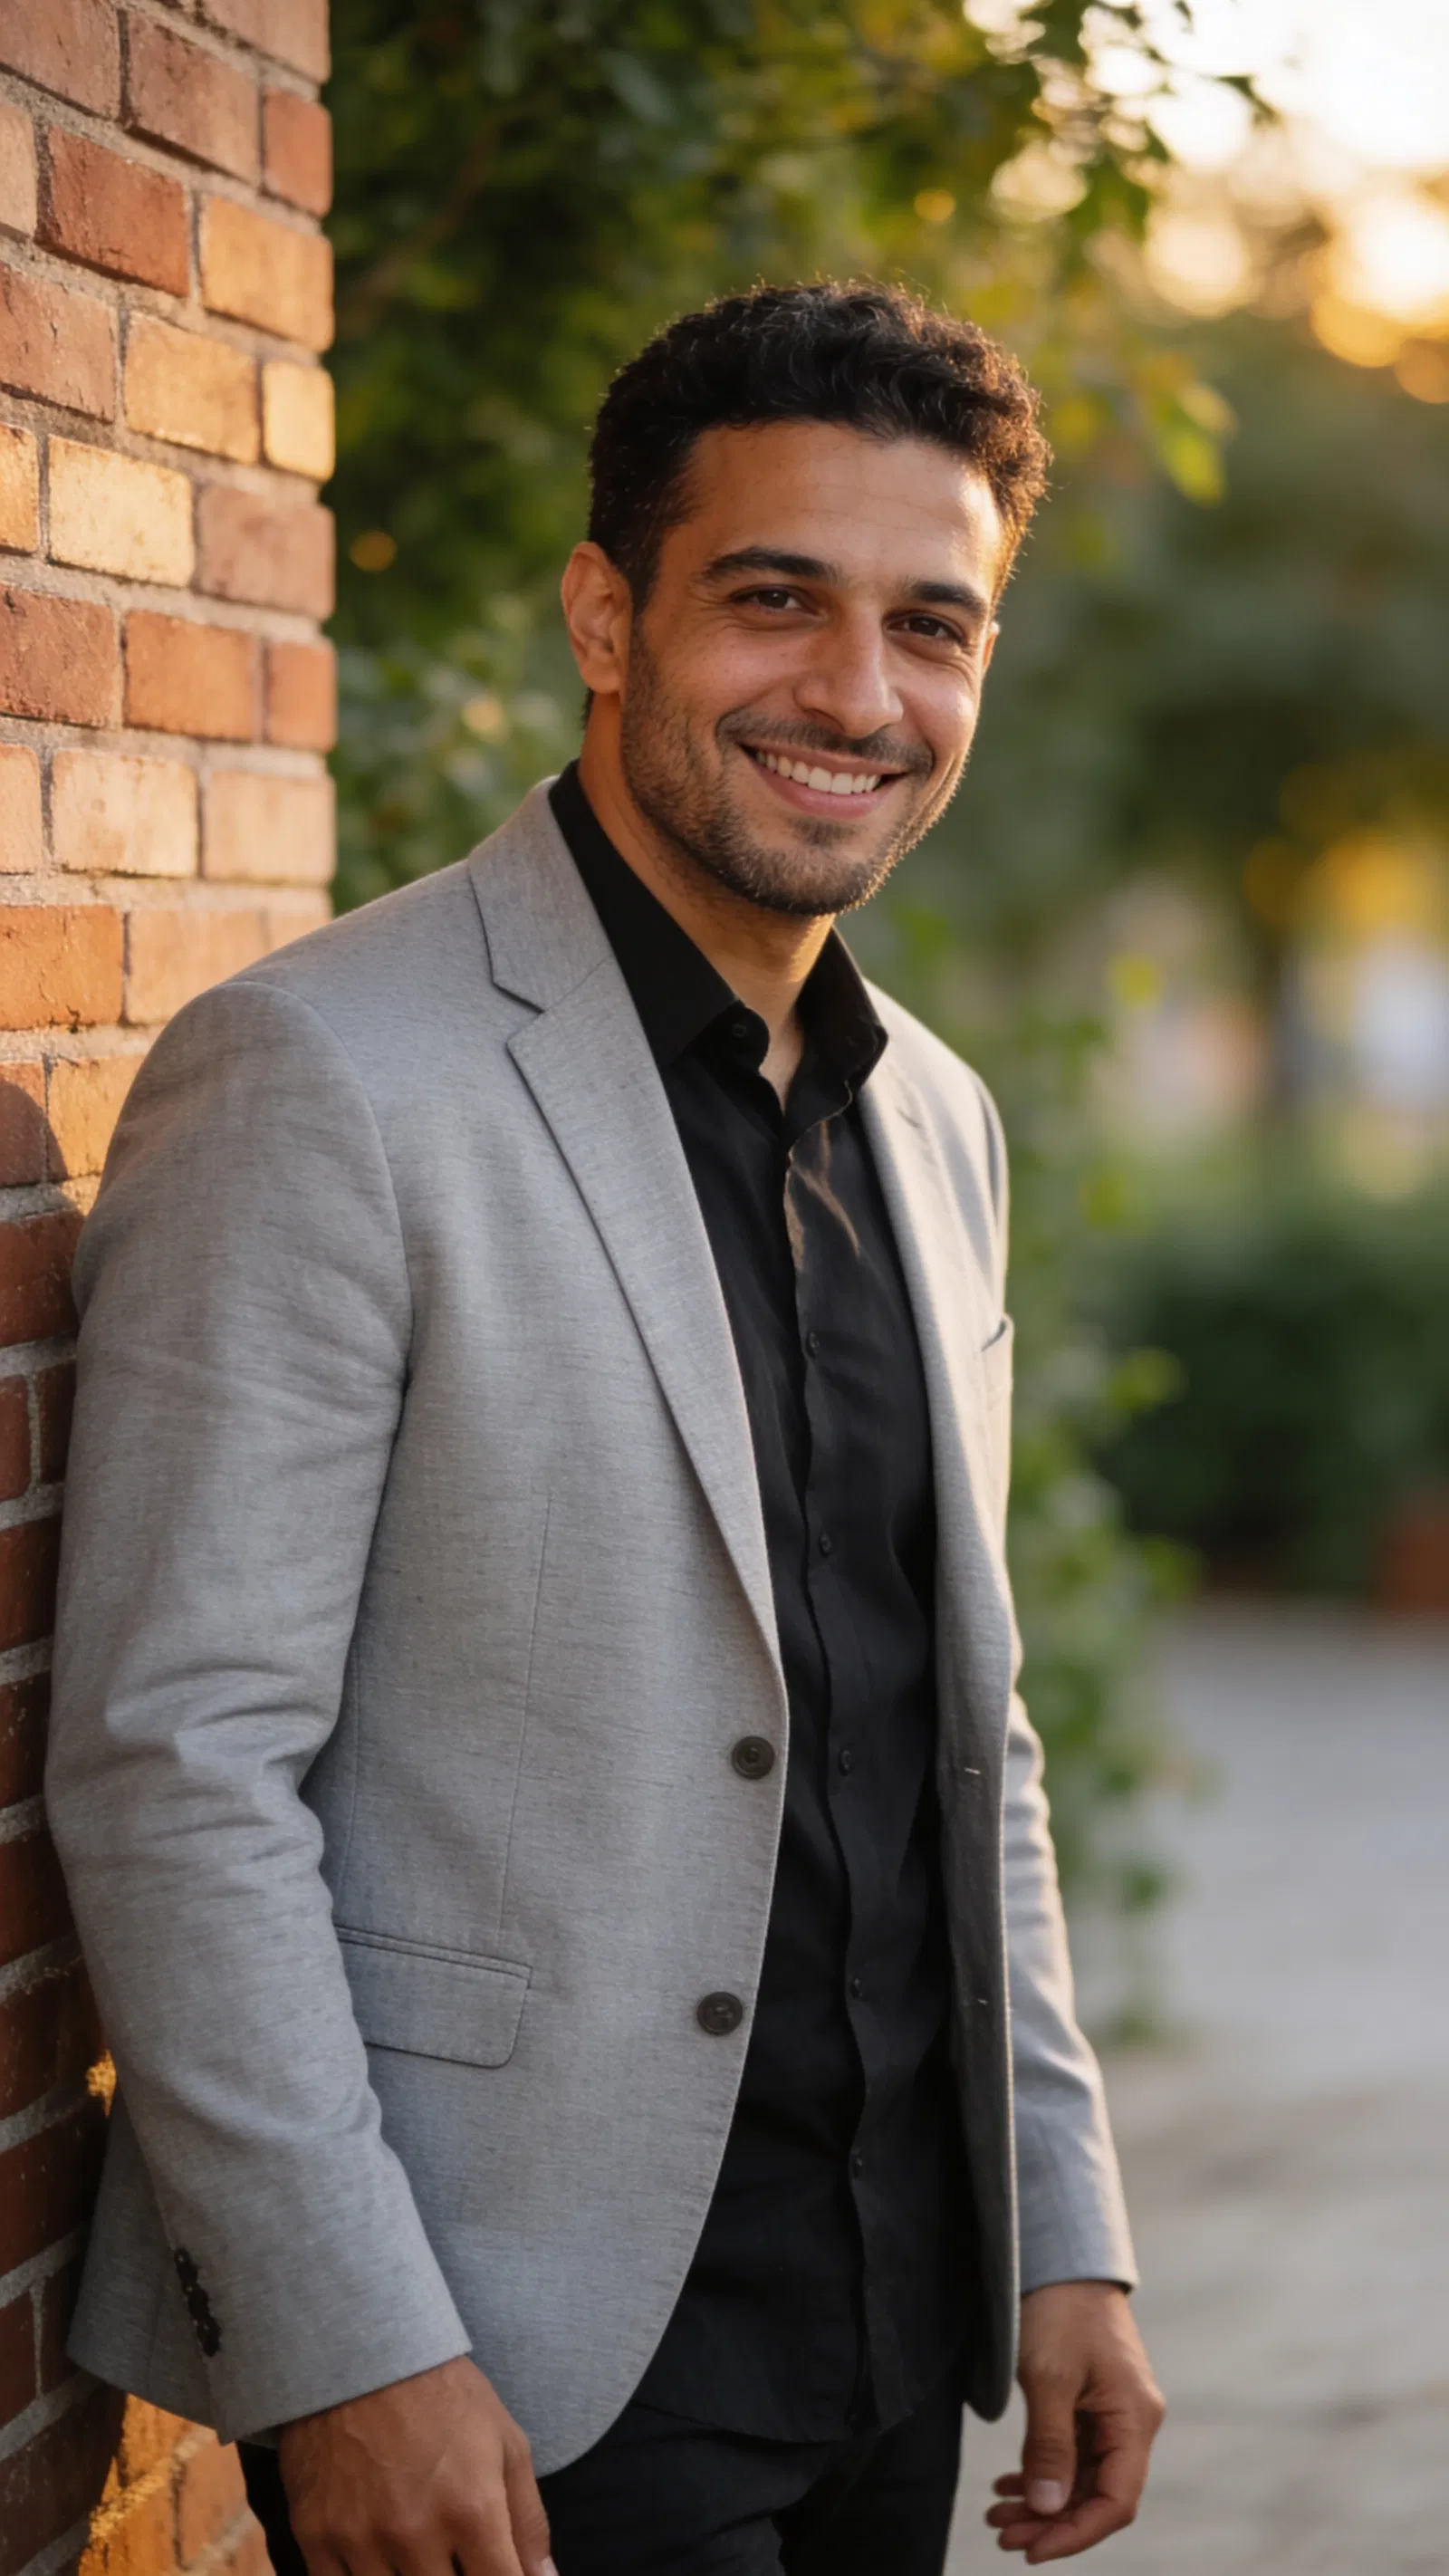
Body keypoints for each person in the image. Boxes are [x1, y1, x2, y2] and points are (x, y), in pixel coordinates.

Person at [47, 282, 1163, 2576]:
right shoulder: (327, 1077)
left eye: (928, 626)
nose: (858, 697)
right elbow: (175, 1759)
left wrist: (1066, 2222)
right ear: (604, 613)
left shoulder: (933, 1120)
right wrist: (347, 2345)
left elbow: (975, 1730)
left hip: (887, 2325)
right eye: (775, 602)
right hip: (516, 2356)